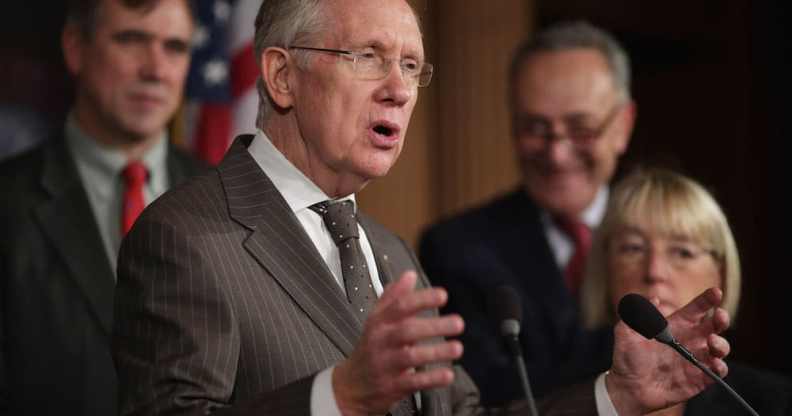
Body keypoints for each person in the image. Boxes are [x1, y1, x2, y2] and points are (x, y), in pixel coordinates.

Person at [112, 1, 731, 415]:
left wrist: (615, 395)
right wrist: (336, 398)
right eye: (368, 58)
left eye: (411, 65)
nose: (401, 89)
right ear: (281, 77)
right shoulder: (185, 234)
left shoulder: (386, 247)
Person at [0, 0, 205, 414]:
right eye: (132, 40)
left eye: (175, 47)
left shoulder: (231, 198)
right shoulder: (8, 204)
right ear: (76, 47)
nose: (156, 70)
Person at [418, 21, 635, 404]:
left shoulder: (666, 241)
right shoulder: (457, 248)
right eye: (535, 128)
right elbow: (484, 394)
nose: (556, 153)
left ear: (623, 125)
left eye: (581, 129)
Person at [580, 167, 792, 415]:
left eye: (683, 252)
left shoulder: (774, 403)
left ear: (720, 273)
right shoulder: (550, 393)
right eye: (633, 248)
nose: (654, 271)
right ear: (604, 269)